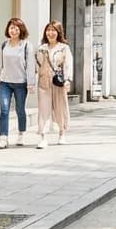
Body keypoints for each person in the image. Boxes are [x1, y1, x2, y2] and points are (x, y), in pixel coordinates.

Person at [0, 17, 35, 148]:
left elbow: (30, 65)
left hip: (21, 83)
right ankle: (3, 137)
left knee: (20, 109)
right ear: (8, 29)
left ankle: (21, 133)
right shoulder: (4, 44)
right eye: (11, 27)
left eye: (16, 28)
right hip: (5, 82)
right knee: (4, 109)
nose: (14, 30)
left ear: (21, 30)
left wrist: (31, 82)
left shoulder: (26, 45)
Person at [36, 20, 73, 148]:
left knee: (60, 108)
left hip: (58, 82)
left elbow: (68, 65)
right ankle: (43, 137)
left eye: (53, 30)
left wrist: (68, 79)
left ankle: (62, 133)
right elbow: (36, 66)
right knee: (43, 109)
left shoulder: (64, 48)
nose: (50, 33)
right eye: (48, 30)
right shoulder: (41, 49)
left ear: (58, 32)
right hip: (43, 82)